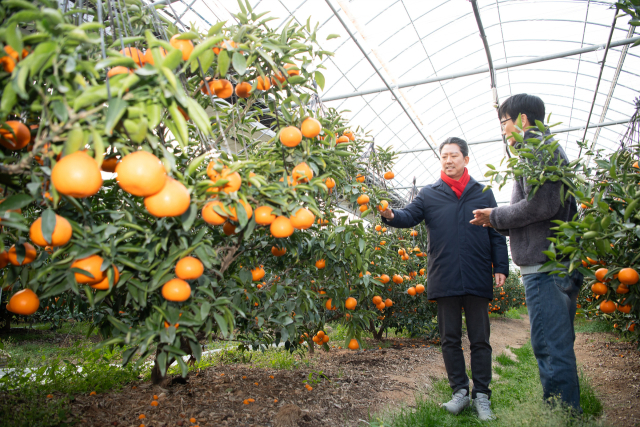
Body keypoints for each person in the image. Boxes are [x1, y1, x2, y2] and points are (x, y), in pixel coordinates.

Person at [379, 137, 509, 421]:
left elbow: (496, 231)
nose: (448, 160)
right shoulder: (430, 194)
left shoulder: (482, 192)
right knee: (449, 338)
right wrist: (390, 215)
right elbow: (407, 216)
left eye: (453, 155)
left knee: (480, 340)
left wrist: (501, 266)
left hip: (476, 275)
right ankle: (460, 392)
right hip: (445, 274)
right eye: (444, 157)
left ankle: (482, 396)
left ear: (465, 159)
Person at [470, 93, 582, 412]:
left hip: (546, 269)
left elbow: (541, 206)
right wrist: (497, 221)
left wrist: (497, 215)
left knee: (549, 347)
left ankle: (563, 415)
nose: (503, 130)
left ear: (521, 120)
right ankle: (565, 411)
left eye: (504, 122)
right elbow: (540, 210)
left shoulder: (536, 149)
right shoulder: (542, 150)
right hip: (556, 264)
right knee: (555, 346)